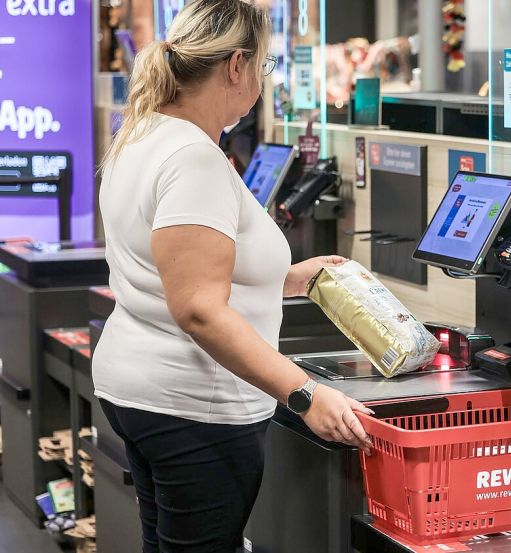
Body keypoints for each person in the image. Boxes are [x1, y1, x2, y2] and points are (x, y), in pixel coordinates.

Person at [93, 1, 372, 551]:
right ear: (237, 65)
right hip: (194, 402)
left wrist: (288, 278)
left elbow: (172, 266)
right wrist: (306, 394)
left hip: (141, 389)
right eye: (265, 68)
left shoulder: (146, 134)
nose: (263, 84)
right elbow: (198, 306)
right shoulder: (192, 157)